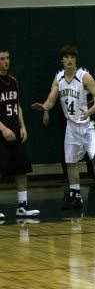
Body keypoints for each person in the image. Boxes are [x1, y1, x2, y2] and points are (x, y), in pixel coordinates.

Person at [32, 45, 95, 210]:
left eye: (72, 57)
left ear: (76, 59)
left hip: (90, 123)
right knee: (70, 161)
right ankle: (75, 196)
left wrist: (89, 111)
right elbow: (50, 101)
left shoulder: (84, 77)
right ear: (61, 60)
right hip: (72, 124)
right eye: (66, 57)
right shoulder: (59, 78)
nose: (69, 60)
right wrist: (44, 107)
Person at [0, 48, 40, 221]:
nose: (6, 62)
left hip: (15, 131)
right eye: (2, 59)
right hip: (1, 132)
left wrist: (23, 126)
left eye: (7, 58)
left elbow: (17, 105)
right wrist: (2, 129)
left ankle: (22, 206)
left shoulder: (13, 80)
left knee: (21, 169)